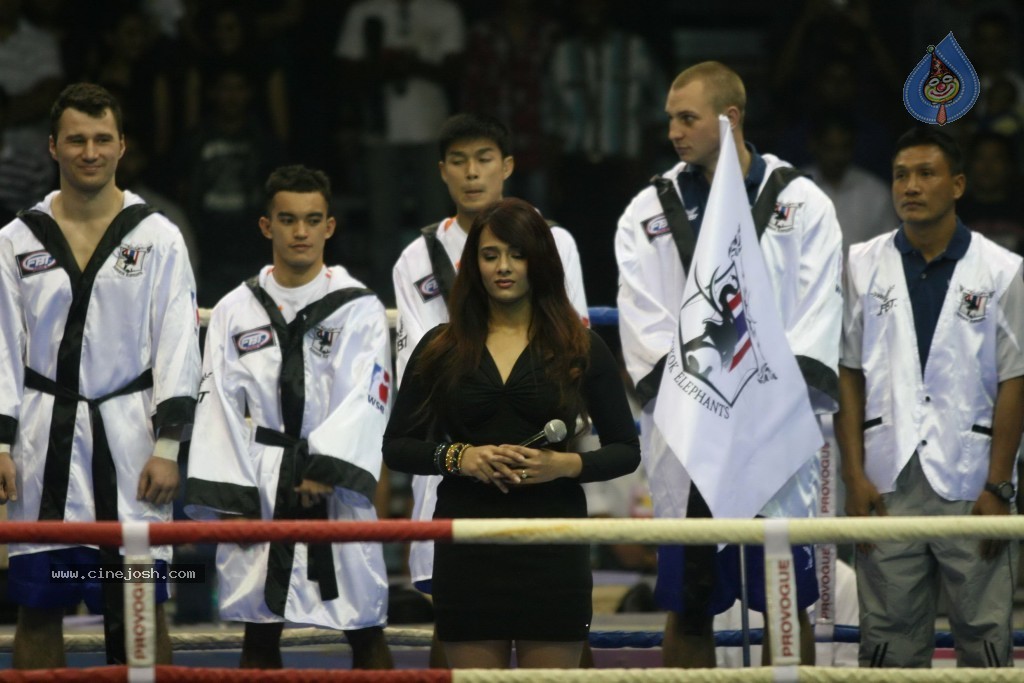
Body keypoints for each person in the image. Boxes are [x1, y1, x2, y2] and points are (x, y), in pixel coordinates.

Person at [615, 61, 843, 668]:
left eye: (687, 118)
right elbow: (643, 320)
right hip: (691, 435)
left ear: (729, 118)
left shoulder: (804, 202)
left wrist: (758, 407)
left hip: (774, 430)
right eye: (669, 119)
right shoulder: (647, 210)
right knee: (689, 604)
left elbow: (817, 311)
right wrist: (707, 406)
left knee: (781, 597)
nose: (673, 132)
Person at [383, 197, 640, 669]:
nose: (503, 267)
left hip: (552, 543)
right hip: (468, 542)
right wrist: (461, 458)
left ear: (538, 260)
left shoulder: (580, 345)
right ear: (472, 264)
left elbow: (626, 450)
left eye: (517, 254)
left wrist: (565, 465)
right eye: (490, 255)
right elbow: (397, 447)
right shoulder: (439, 346)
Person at [0, 82, 202, 667]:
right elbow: (2, 348)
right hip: (44, 442)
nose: (90, 151)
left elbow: (177, 344)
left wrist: (168, 445)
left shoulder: (158, 236)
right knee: (39, 604)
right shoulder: (14, 241)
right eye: (77, 140)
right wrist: (1, 442)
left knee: (140, 602)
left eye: (101, 139)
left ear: (122, 146)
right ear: (52, 147)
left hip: (132, 439)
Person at [184, 165, 393, 669]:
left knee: (364, 627)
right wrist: (231, 493)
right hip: (260, 478)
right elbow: (216, 400)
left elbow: (371, 392)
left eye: (312, 219)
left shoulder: (359, 307)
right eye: (288, 219)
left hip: (336, 489)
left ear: (330, 227)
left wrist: (326, 466)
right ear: (266, 226)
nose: (300, 232)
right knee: (259, 633)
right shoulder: (235, 308)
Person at [836, 127, 1024, 668]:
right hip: (885, 479)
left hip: (972, 480)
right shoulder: (860, 264)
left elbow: (1016, 379)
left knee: (985, 640)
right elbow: (848, 371)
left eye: (926, 174)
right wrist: (854, 476)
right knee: (888, 644)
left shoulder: (1002, 270)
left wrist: (999, 483)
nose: (910, 187)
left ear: (958, 184)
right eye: (900, 175)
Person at [392, 110, 589, 588]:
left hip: (541, 437)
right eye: (458, 161)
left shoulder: (554, 241)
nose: (472, 172)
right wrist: (465, 446)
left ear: (507, 166)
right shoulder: (415, 257)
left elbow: (573, 341)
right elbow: (417, 363)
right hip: (453, 445)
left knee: (557, 601)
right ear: (442, 171)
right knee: (450, 598)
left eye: (483, 159)